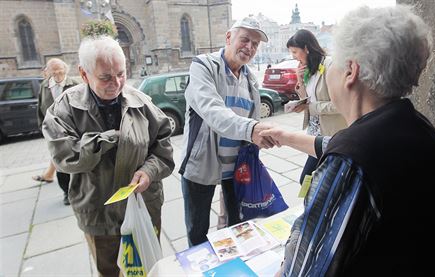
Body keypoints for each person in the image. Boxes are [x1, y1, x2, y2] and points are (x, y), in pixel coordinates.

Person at [261, 5, 435, 276]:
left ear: (350, 71)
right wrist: (285, 136)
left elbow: (301, 270)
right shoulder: (411, 125)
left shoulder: (351, 161)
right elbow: (344, 147)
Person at [42, 36, 175, 276]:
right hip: (98, 212)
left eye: (121, 74)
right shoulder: (64, 109)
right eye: (105, 77)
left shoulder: (140, 101)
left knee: (148, 266)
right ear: (84, 74)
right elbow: (65, 157)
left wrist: (149, 171)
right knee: (108, 270)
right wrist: (110, 137)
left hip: (144, 205)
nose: (116, 83)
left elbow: (163, 148)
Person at [179, 17, 275, 246]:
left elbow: (254, 118)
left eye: (255, 44)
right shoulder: (203, 65)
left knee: (237, 228)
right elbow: (212, 110)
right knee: (197, 231)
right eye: (245, 40)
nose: (249, 48)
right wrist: (252, 129)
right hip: (201, 164)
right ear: (229, 37)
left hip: (237, 168)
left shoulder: (250, 78)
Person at [286, 29, 346, 184]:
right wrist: (299, 78)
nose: (293, 57)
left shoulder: (330, 66)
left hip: (329, 135)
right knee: (311, 180)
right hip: (313, 135)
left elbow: (340, 105)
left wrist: (311, 108)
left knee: (308, 179)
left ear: (306, 48)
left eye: (295, 52)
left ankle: (317, 206)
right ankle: (316, 206)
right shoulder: (310, 68)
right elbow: (306, 99)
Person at [32, 58, 79, 205]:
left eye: (60, 70)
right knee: (60, 164)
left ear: (65, 70)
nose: (57, 73)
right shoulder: (45, 86)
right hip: (54, 133)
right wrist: (42, 128)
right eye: (54, 71)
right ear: (49, 72)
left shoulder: (75, 85)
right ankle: (67, 192)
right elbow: (40, 107)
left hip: (74, 131)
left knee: (76, 162)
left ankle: (79, 190)